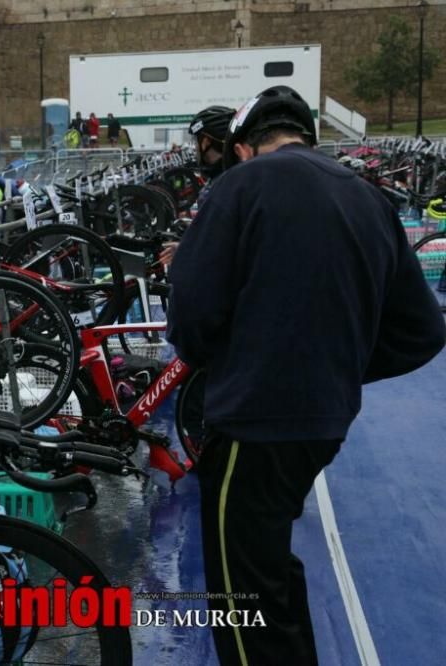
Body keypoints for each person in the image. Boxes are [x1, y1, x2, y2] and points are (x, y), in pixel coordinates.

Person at [166, 85, 445, 665]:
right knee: (267, 567)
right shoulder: (368, 198)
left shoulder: (240, 186)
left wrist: (228, 362)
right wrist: (335, 364)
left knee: (238, 596)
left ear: (243, 148)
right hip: (324, 417)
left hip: (252, 420)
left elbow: (191, 311)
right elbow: (421, 331)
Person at [158, 105, 235, 268]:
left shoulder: (224, 185)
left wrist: (187, 251)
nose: (195, 149)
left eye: (196, 141)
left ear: (206, 141)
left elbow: (222, 249)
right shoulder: (233, 176)